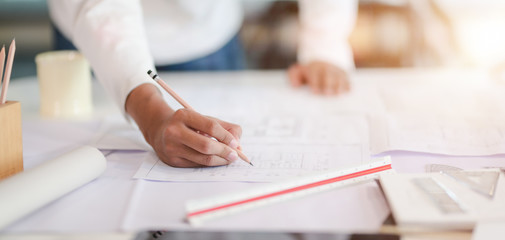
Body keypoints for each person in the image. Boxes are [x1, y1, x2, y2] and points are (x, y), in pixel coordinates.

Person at [47, 0, 357, 168]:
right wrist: (150, 114)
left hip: (208, 32)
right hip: (93, 33)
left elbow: (326, 41)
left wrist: (325, 42)